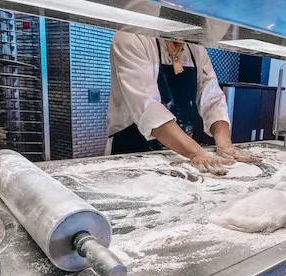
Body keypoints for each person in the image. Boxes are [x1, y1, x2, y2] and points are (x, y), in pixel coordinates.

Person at [105, 31, 260, 175]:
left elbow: (212, 98)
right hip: (131, 155)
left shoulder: (195, 49)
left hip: (178, 155)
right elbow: (148, 107)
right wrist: (196, 152)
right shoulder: (132, 37)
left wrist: (224, 143)